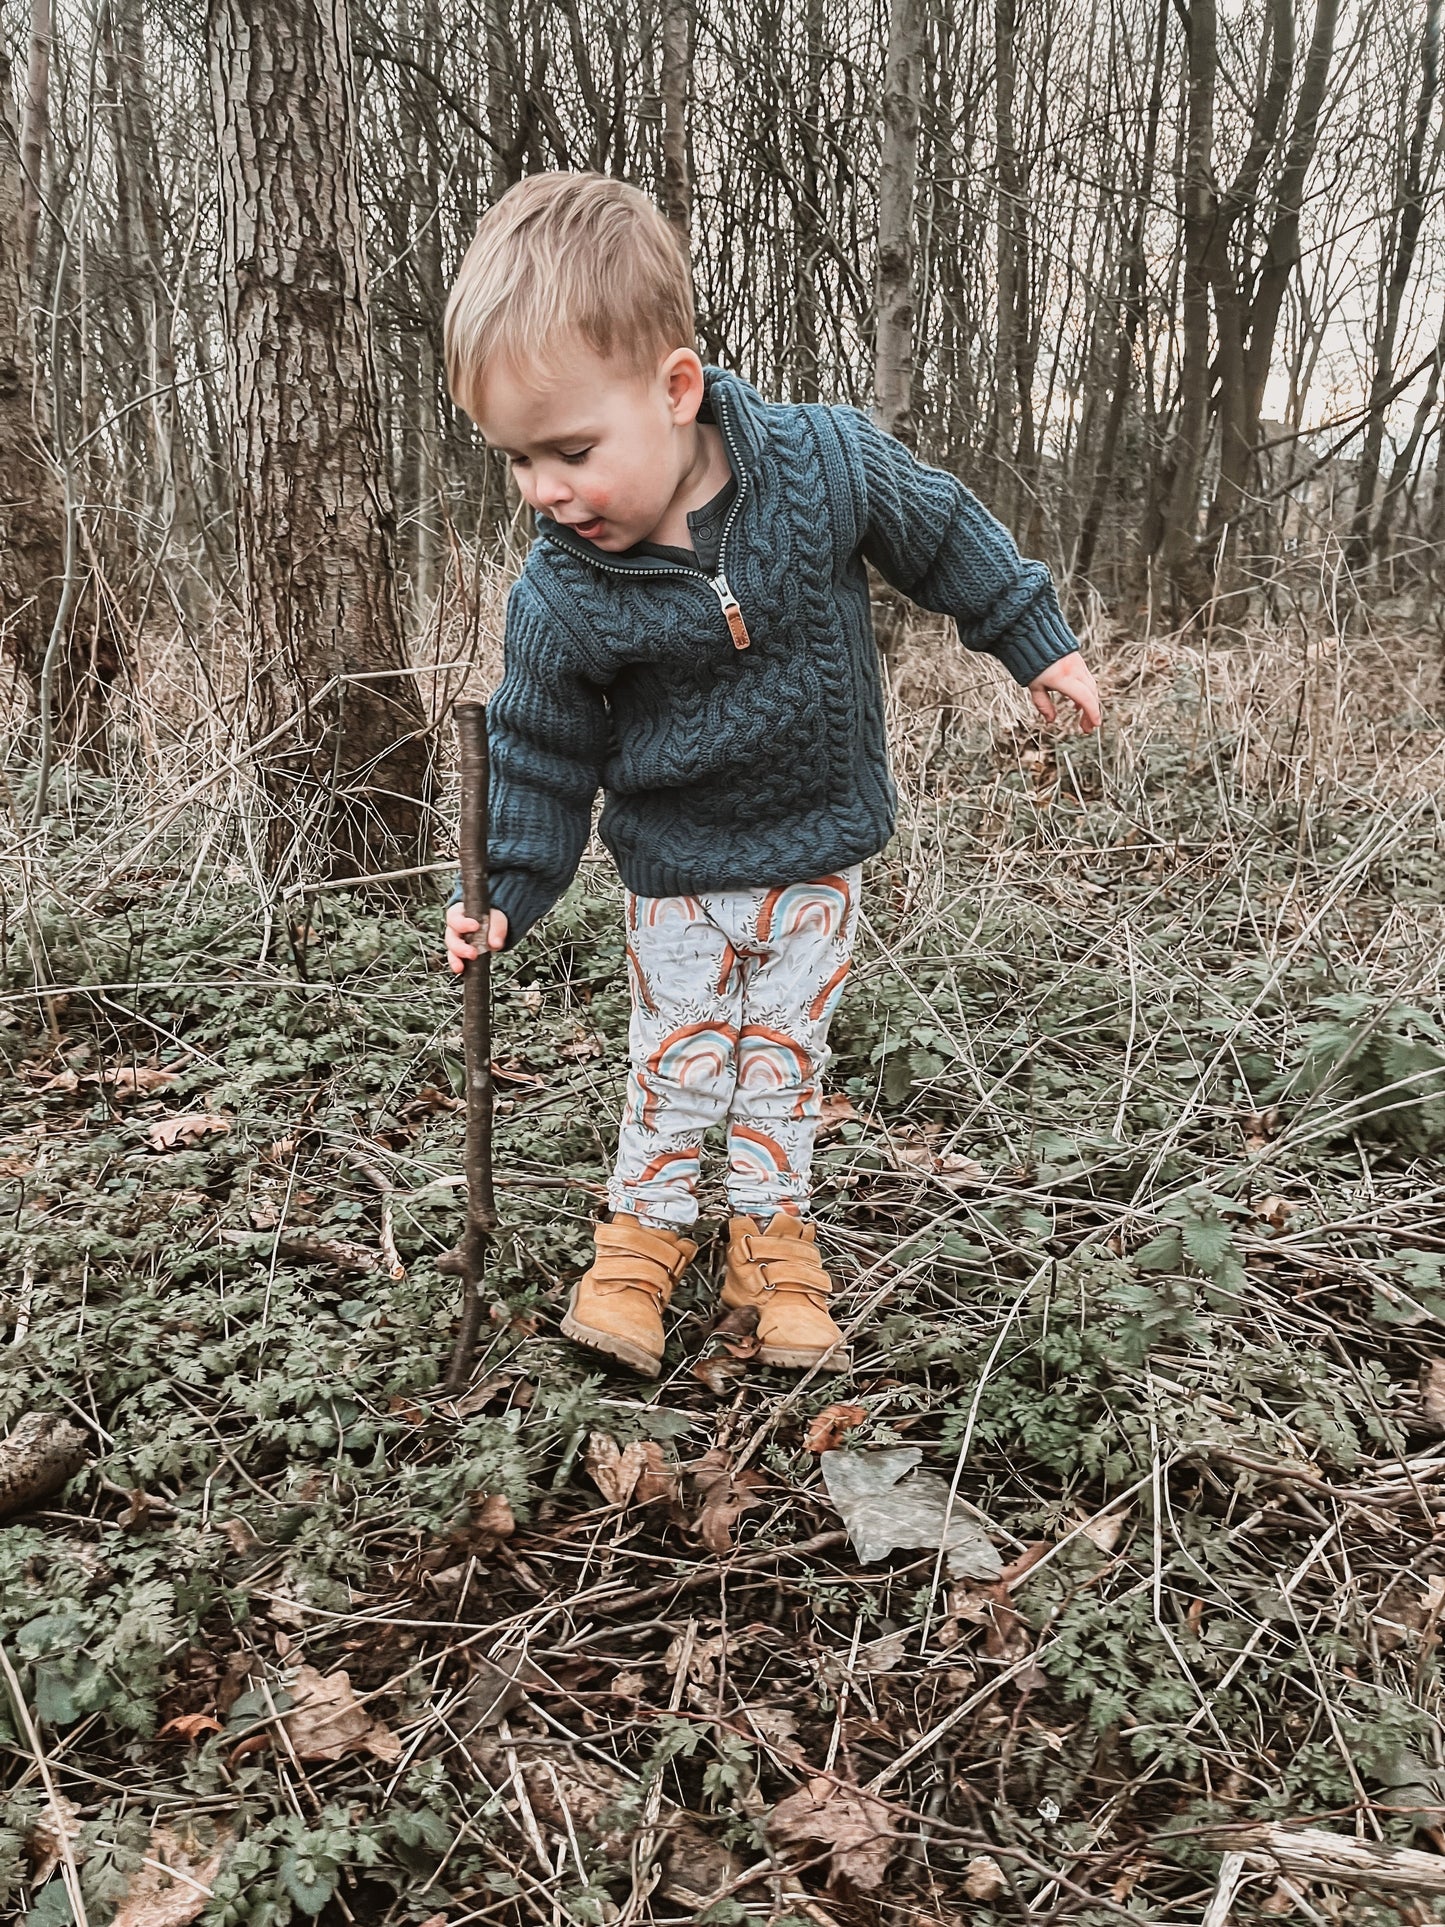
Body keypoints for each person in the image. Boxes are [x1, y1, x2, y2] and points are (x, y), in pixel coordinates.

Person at [441, 172, 1101, 1380]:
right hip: (678, 874)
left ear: (676, 388)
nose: (543, 489)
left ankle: (768, 1236)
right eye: (516, 460)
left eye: (571, 450)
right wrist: (506, 889)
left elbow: (941, 533)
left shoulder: (821, 462)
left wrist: (1034, 640)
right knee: (679, 1053)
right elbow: (540, 751)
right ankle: (643, 1236)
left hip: (815, 853)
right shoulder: (561, 593)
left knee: (783, 1055)